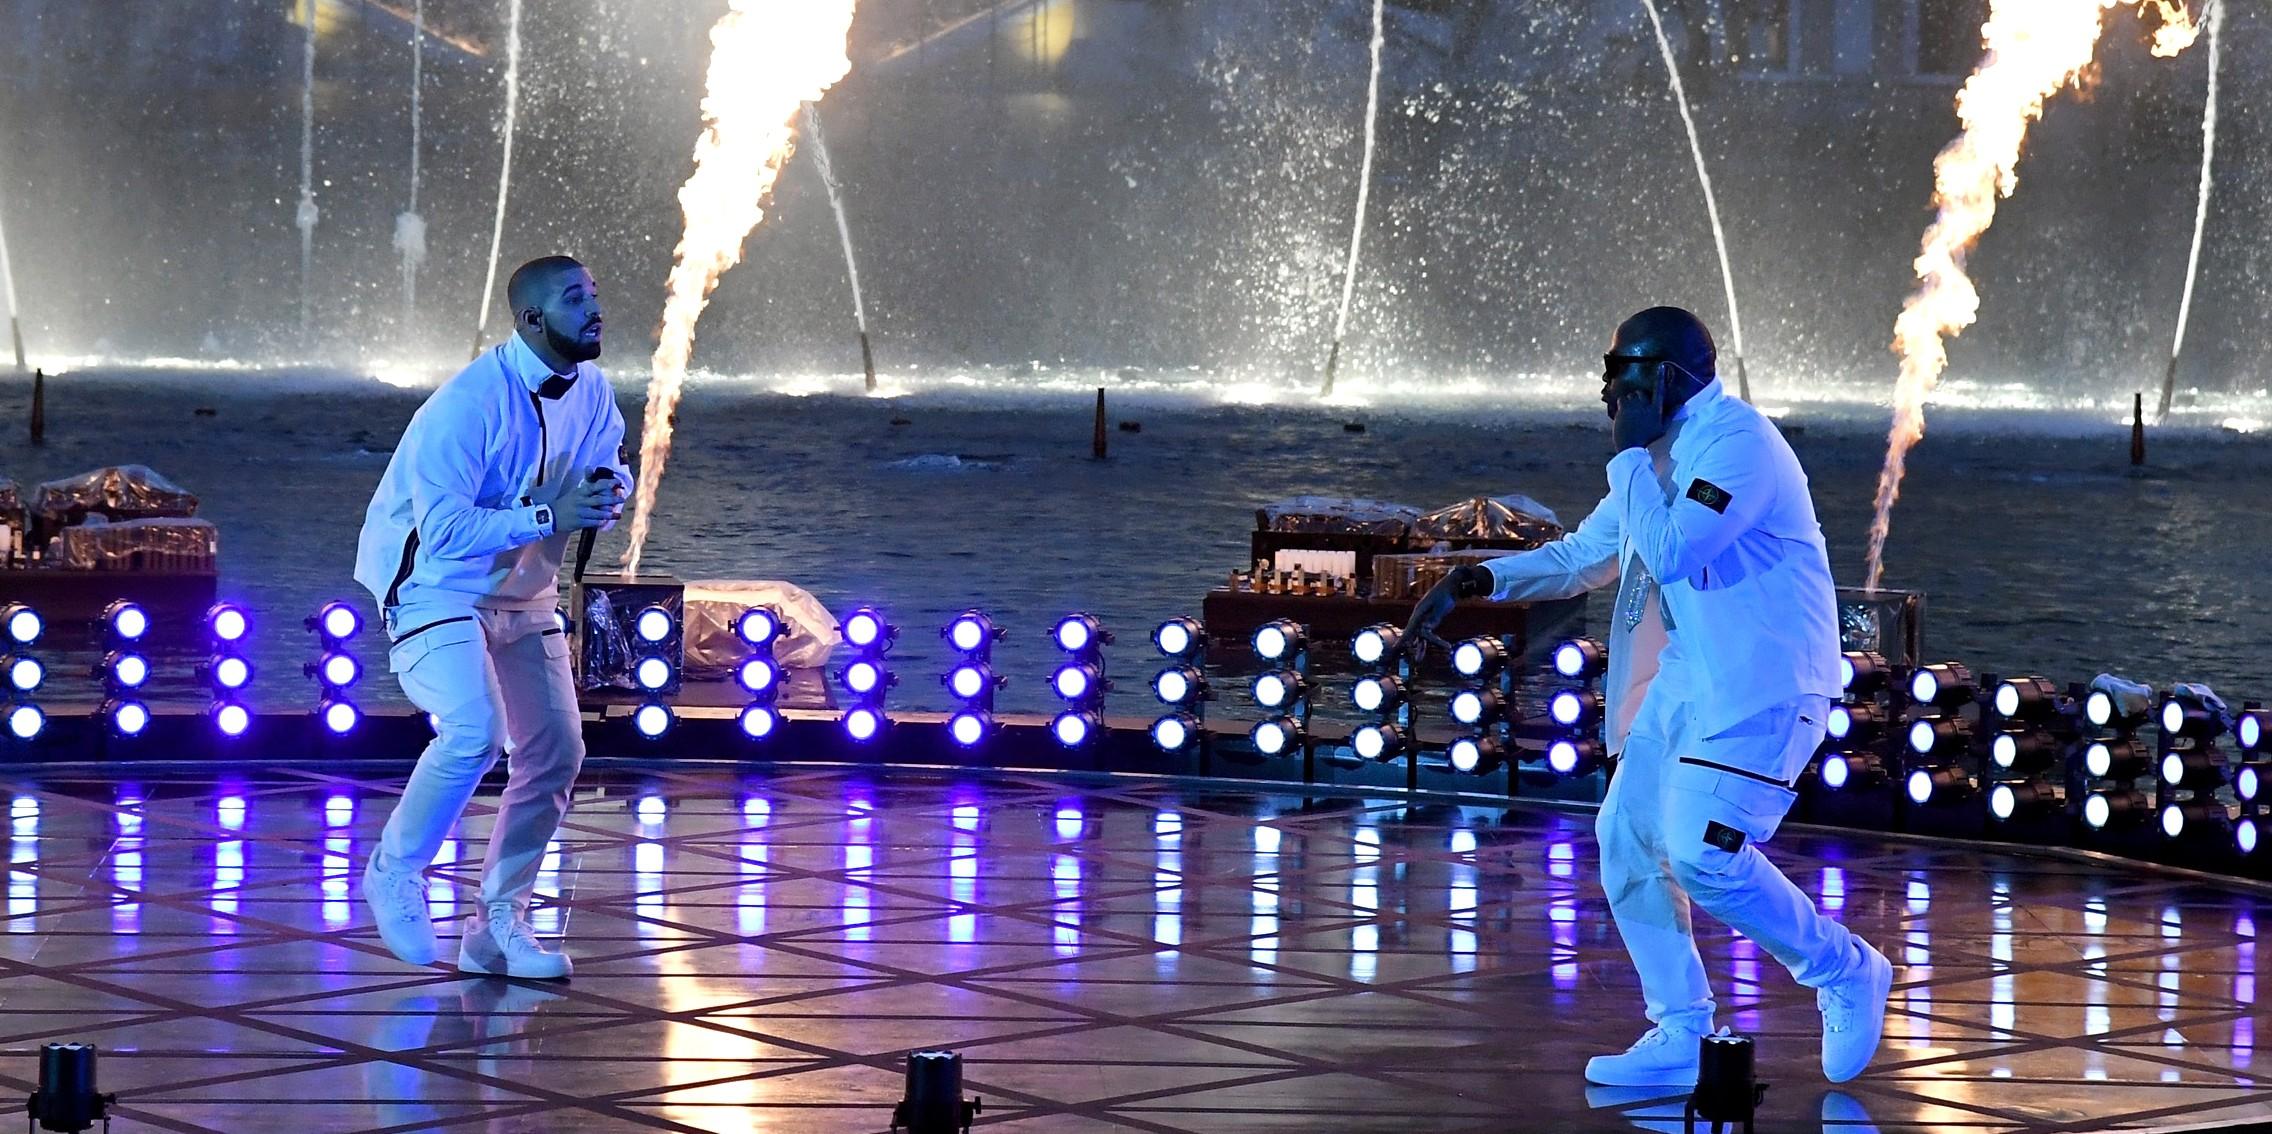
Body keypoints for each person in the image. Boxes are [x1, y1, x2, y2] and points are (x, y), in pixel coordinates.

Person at [1403, 307, 1892, 1085]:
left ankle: (1842, 968)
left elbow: (1669, 551)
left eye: (1621, 377)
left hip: (1764, 686)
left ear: (1663, 379)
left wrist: (1629, 457)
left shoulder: (1737, 446)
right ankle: (1682, 1032)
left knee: (1703, 854)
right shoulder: (1659, 455)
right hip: (1692, 679)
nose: (1608, 395)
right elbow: (1585, 556)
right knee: (1627, 837)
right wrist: (1470, 581)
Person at [352, 255, 630, 980]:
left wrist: (609, 488)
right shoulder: (466, 405)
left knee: (558, 752)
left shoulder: (594, 389)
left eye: (594, 295)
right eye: (577, 300)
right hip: (435, 588)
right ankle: (393, 870)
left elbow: (609, 460)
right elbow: (441, 532)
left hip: (523, 591)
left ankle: (496, 924)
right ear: (532, 319)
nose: (595, 309)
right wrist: (548, 513)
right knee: (476, 729)